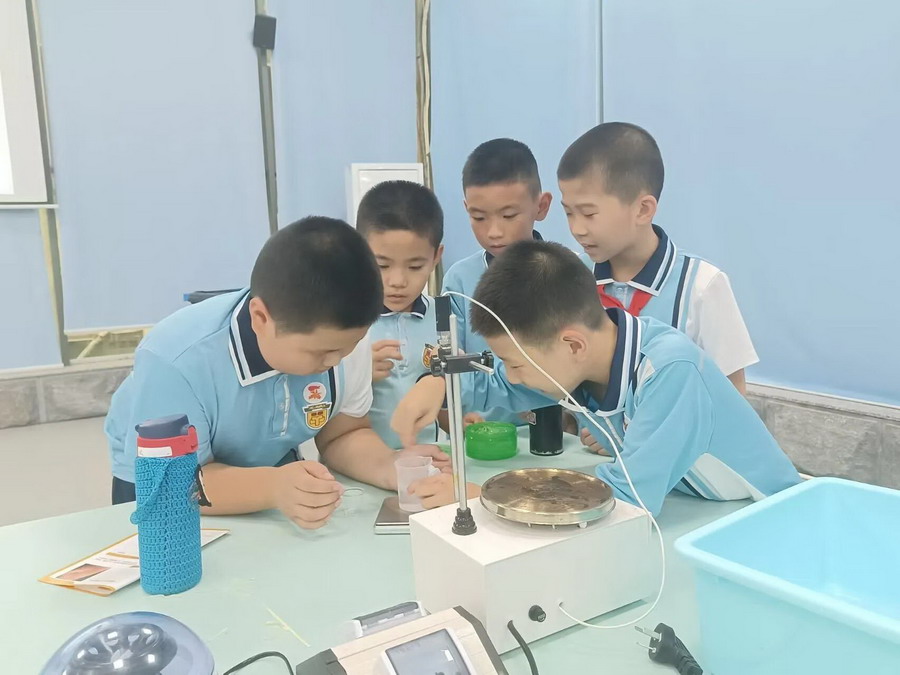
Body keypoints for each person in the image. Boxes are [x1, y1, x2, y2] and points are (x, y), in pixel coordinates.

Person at [392, 240, 800, 516]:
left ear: (572, 344)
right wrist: (437, 384)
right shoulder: (584, 361)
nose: (511, 374)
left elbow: (624, 500)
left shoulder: (669, 371)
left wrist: (483, 498)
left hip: (761, 517)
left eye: (515, 363)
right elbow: (499, 384)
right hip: (694, 505)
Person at [105, 217, 449, 529]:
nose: (336, 361)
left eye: (350, 346)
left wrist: (388, 466)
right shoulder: (176, 361)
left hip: (270, 475)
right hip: (168, 493)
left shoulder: (344, 341)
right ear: (261, 319)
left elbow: (343, 433)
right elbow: (175, 485)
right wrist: (273, 487)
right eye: (320, 352)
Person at [557, 122, 760, 451]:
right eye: (568, 213)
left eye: (589, 214)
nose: (577, 229)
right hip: (588, 464)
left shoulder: (702, 286)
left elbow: (733, 405)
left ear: (643, 209)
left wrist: (642, 442)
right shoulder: (571, 278)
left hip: (678, 472)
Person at [442, 138, 565, 424]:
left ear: (541, 206)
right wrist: (455, 418)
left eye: (509, 215)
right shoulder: (459, 281)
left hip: (559, 436)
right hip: (484, 434)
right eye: (479, 217)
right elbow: (450, 364)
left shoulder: (568, 273)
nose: (494, 232)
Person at [356, 180, 444, 449]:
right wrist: (354, 373)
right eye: (382, 265)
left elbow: (448, 393)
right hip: (362, 464)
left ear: (436, 257)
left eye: (415, 266)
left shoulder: (445, 315)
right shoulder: (343, 322)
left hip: (429, 457)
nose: (397, 282)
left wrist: (460, 419)